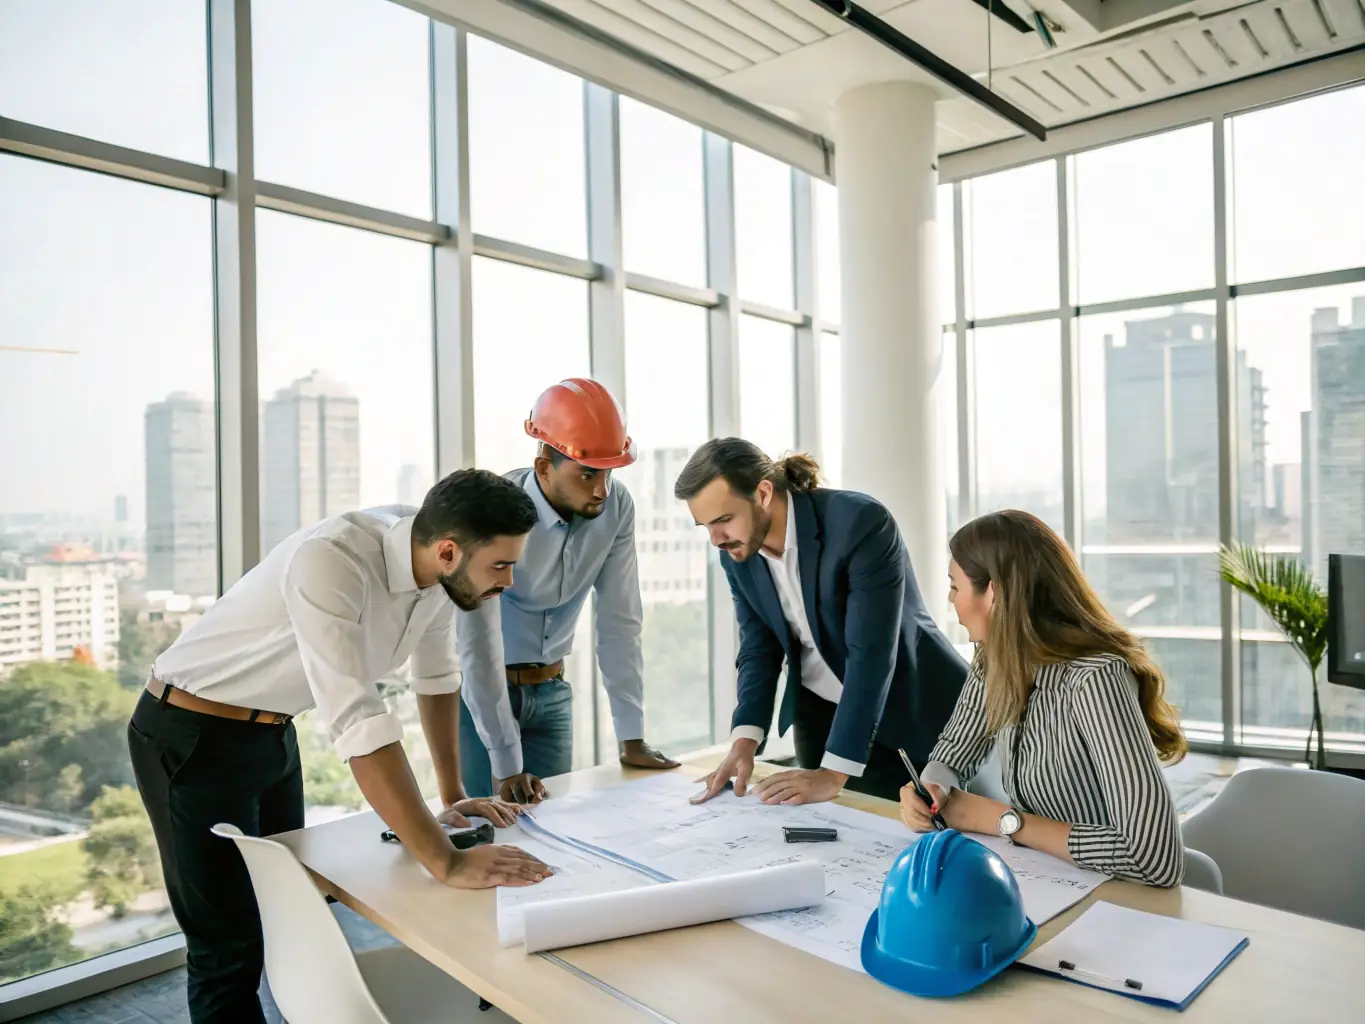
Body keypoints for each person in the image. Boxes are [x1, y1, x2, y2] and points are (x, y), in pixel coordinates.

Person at [128, 470, 552, 1023]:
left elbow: (436, 678)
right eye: (501, 565)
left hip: (273, 730)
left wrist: (449, 798)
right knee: (225, 947)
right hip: (188, 734)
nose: (510, 580)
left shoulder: (439, 568)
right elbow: (360, 721)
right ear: (449, 551)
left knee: (287, 916)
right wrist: (446, 862)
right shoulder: (332, 559)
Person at [676, 438, 968, 806]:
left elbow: (871, 652)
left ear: (763, 493)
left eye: (723, 520)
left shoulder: (860, 523)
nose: (716, 539)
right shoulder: (738, 552)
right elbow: (758, 647)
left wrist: (834, 773)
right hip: (821, 715)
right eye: (705, 527)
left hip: (910, 710)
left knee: (920, 839)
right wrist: (745, 739)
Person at [902, 509, 1186, 888]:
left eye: (955, 586)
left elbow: (1154, 857)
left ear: (994, 593)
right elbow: (956, 749)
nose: (951, 602)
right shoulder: (995, 658)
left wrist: (1002, 820)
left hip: (1117, 898)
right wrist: (931, 789)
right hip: (1043, 883)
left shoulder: (1095, 679)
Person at [458, 378, 678, 802]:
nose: (601, 489)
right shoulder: (490, 511)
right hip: (480, 695)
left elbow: (620, 621)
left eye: (609, 472)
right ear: (544, 467)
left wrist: (631, 738)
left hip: (553, 693)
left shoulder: (616, 507)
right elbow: (475, 647)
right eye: (587, 473)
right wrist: (506, 766)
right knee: (491, 832)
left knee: (556, 832)